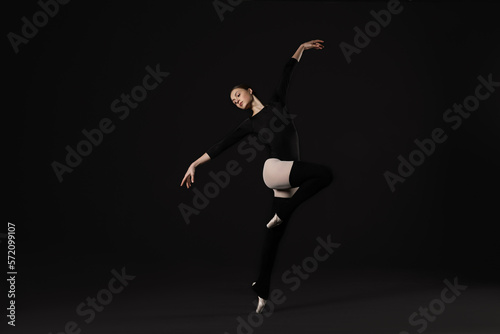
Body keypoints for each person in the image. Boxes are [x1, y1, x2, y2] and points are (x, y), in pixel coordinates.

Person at [180, 40, 333, 313]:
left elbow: (288, 70)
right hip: (274, 170)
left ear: (250, 91)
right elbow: (222, 145)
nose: (236, 100)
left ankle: (261, 289)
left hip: (287, 176)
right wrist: (194, 163)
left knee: (273, 235)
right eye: (232, 101)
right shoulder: (249, 124)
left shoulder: (277, 104)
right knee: (324, 174)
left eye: (237, 94)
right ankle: (285, 209)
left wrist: (301, 47)